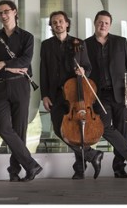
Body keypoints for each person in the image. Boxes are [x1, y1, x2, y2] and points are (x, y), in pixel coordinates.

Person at [40, 11, 104, 179]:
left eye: (61, 21)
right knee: (59, 129)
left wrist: (83, 70)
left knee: (77, 129)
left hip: (75, 93)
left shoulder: (78, 43)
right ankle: (91, 154)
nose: (58, 24)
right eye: (54, 22)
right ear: (51, 26)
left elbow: (88, 67)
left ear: (67, 24)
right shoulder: (46, 45)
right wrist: (44, 95)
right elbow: (43, 71)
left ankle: (80, 169)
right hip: (55, 93)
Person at [0, 0, 42, 182]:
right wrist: (9, 67)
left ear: (15, 12)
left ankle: (14, 170)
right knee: (4, 128)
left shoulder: (27, 37)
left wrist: (3, 64)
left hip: (20, 85)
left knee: (20, 130)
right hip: (0, 86)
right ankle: (31, 165)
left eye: (6, 11)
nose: (3, 15)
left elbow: (25, 61)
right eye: (0, 13)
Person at [84, 10, 127, 178]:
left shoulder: (120, 42)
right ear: (95, 23)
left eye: (106, 23)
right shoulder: (85, 44)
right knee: (102, 126)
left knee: (122, 130)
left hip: (120, 92)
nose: (103, 25)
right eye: (100, 22)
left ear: (110, 25)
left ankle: (119, 168)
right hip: (99, 95)